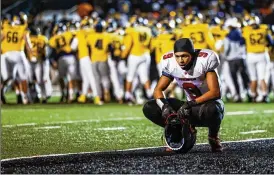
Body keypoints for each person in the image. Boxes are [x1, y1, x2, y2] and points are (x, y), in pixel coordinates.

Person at [143, 38, 224, 153]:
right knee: (150, 107)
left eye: (184, 56)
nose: (180, 60)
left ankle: (213, 136)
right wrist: (164, 106)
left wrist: (190, 103)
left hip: (205, 106)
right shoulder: (170, 62)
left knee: (213, 109)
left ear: (192, 54)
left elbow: (215, 92)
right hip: (188, 106)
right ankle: (179, 130)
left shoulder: (205, 60)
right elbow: (158, 90)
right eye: (177, 56)